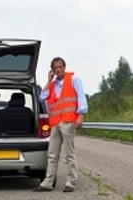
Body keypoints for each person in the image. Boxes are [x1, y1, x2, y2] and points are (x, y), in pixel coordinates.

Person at [33, 57, 88, 192]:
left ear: (64, 67)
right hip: (55, 123)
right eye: (55, 68)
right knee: (52, 154)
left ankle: (71, 182)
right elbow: (42, 97)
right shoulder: (52, 84)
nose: (58, 70)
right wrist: (48, 80)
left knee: (69, 154)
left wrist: (80, 116)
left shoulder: (74, 80)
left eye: (60, 67)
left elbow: (81, 97)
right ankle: (48, 183)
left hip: (69, 121)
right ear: (52, 70)